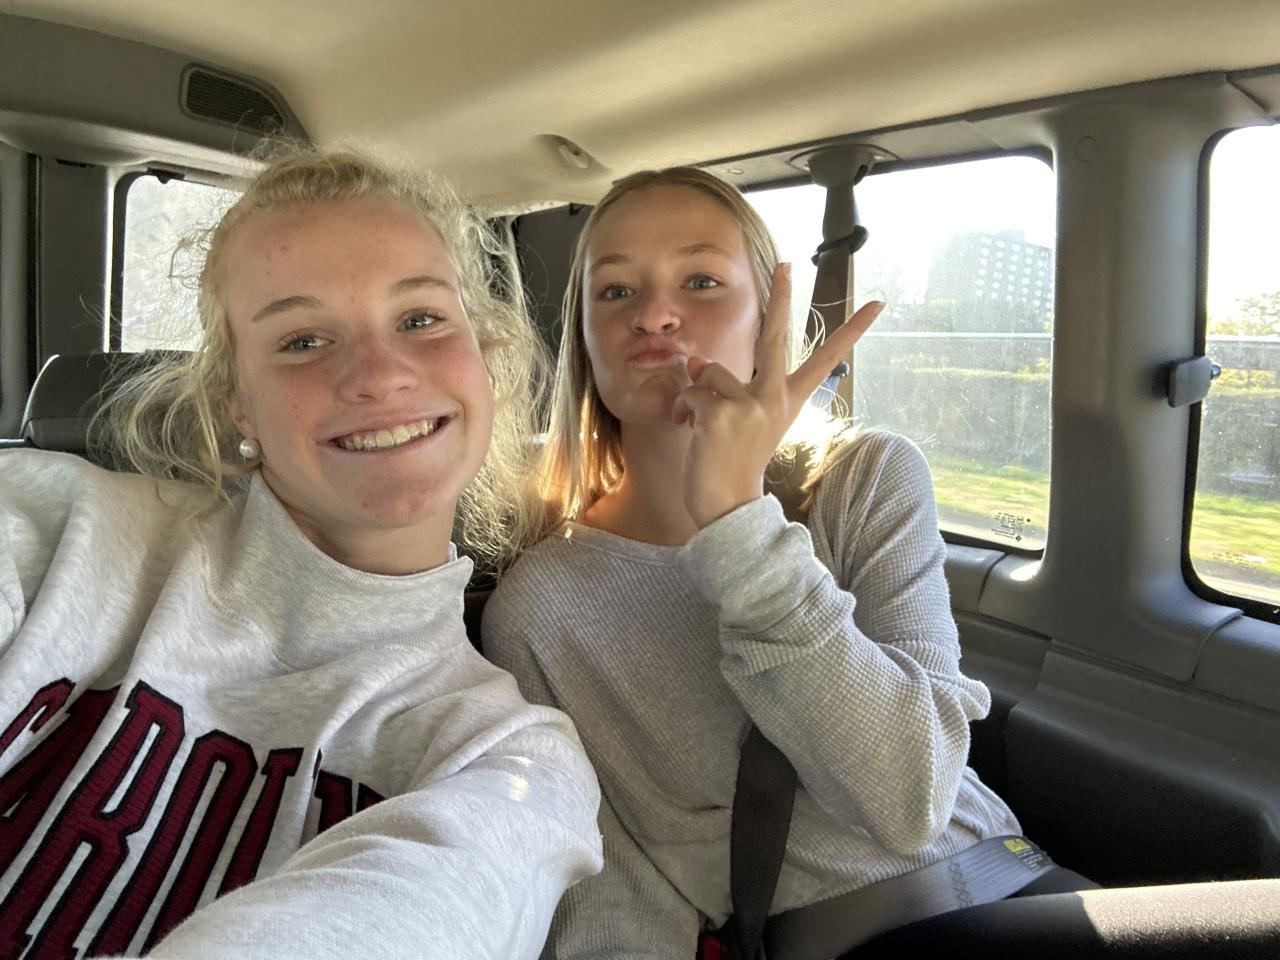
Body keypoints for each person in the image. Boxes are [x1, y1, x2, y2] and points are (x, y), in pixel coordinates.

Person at [0, 148, 602, 960]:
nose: (381, 375)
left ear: (484, 356)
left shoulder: (506, 756)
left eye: (420, 319)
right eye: (303, 339)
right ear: (235, 402)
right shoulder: (60, 531)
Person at [484, 167, 1082, 959]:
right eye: (616, 291)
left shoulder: (866, 479)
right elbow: (609, 888)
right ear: (586, 342)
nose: (654, 315)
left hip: (1013, 887)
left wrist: (739, 522)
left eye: (701, 281)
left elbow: (915, 795)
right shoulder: (541, 607)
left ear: (768, 317)